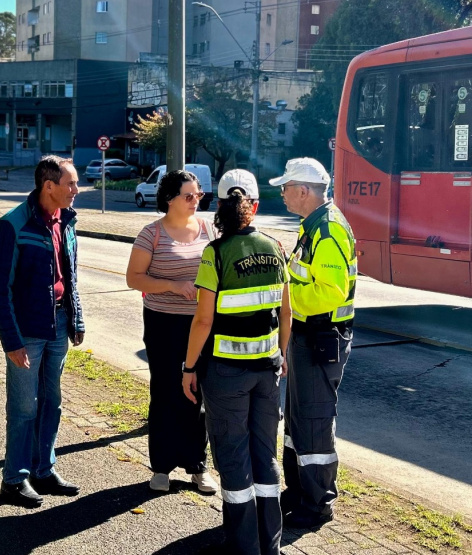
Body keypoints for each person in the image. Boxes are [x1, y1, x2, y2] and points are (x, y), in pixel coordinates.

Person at [182, 169, 291, 555]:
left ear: (219, 205)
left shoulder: (216, 253)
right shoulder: (276, 247)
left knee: (233, 458)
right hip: (267, 371)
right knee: (265, 455)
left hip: (226, 374)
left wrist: (189, 366)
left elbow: (203, 319)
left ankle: (244, 546)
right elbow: (286, 312)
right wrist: (282, 354)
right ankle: (270, 543)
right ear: (254, 205)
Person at [0, 155, 86, 508]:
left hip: (58, 325)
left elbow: (70, 276)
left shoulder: (67, 221)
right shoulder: (13, 225)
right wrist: (11, 341)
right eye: (71, 183)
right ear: (49, 186)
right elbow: (0, 290)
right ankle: (14, 479)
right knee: (23, 408)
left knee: (52, 402)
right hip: (26, 331)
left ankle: (44, 470)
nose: (77, 189)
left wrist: (76, 320)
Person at [270, 158, 357, 529]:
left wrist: (283, 298)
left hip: (321, 337)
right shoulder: (315, 226)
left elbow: (331, 293)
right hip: (308, 336)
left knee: (314, 422)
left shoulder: (329, 229)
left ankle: (318, 504)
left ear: (303, 191)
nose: (282, 193)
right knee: (298, 421)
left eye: (286, 187)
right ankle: (300, 492)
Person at [125, 169, 218, 495]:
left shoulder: (208, 228)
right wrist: (171, 286)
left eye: (199, 194)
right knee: (165, 392)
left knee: (197, 394)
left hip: (202, 324)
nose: (197, 200)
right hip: (164, 323)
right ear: (169, 199)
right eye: (189, 195)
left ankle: (197, 466)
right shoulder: (152, 234)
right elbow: (134, 278)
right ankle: (162, 467)